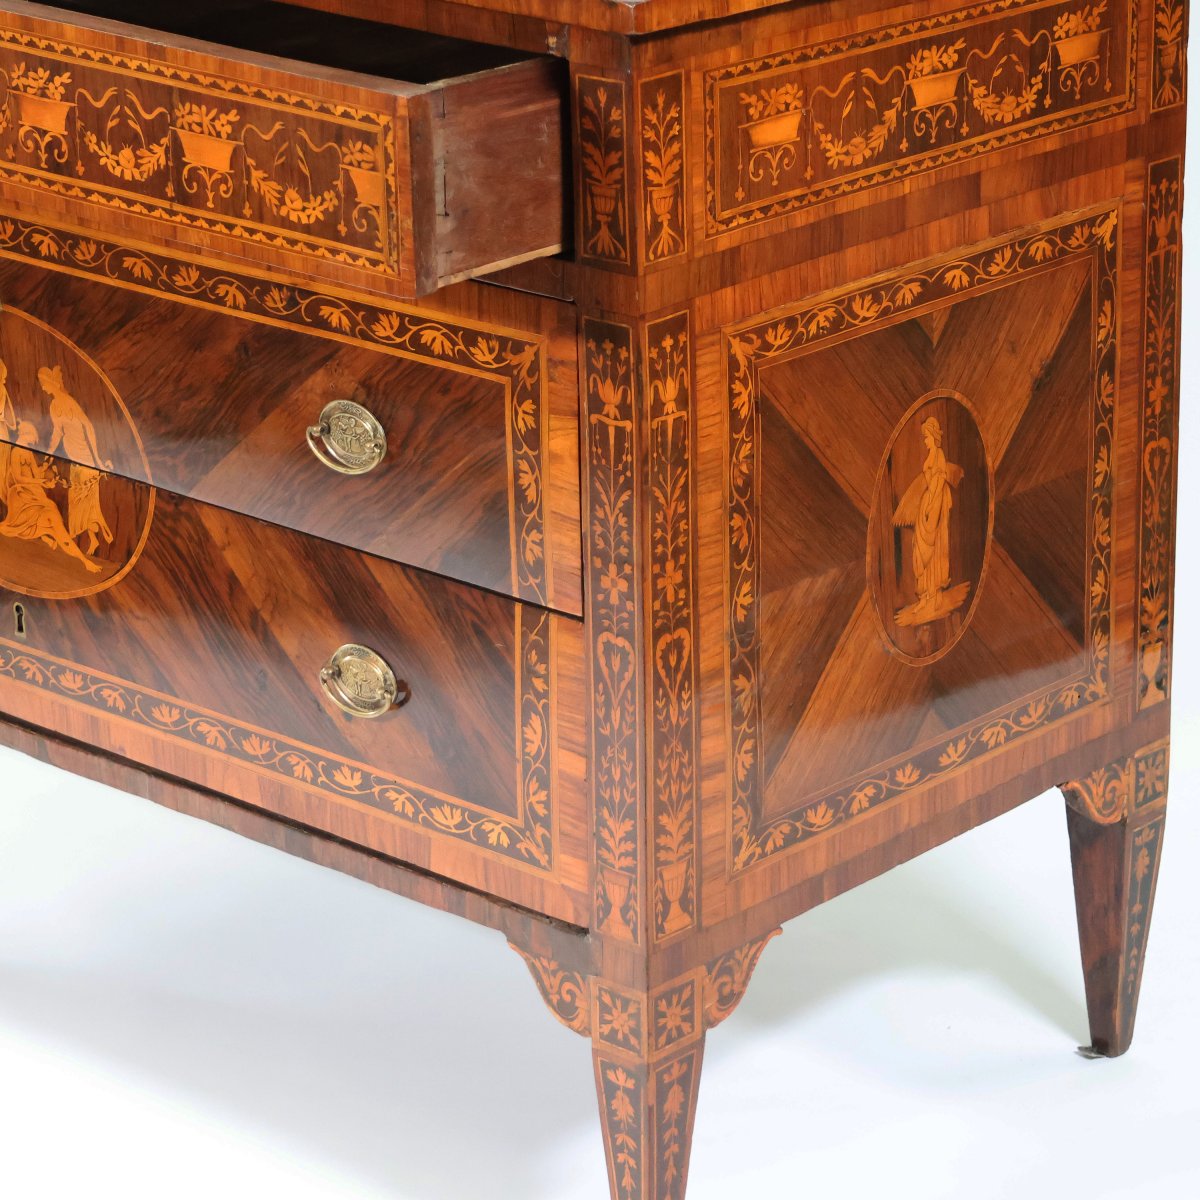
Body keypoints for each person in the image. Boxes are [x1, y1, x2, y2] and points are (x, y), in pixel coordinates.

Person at [0, 419, 102, 573]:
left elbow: (36, 474)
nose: (35, 439)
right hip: (23, 496)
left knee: (54, 521)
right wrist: (40, 480)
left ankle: (74, 555)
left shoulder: (27, 451)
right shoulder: (16, 452)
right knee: (53, 524)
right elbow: (19, 477)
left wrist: (47, 478)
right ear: (27, 434)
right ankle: (84, 561)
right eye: (33, 436)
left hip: (36, 494)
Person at [892, 415, 965, 625]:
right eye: (924, 437)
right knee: (921, 552)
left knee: (934, 553)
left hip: (934, 510)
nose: (925, 441)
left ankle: (934, 597)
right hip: (927, 508)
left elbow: (936, 486)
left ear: (933, 437)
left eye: (926, 437)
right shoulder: (932, 456)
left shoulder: (939, 457)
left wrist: (928, 513)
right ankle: (925, 598)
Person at [39, 363, 113, 555]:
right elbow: (57, 433)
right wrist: (48, 454)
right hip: (73, 460)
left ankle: (96, 536)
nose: (42, 387)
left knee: (87, 502)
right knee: (77, 501)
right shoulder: (54, 405)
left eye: (43, 383)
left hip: (86, 458)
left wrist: (97, 459)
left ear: (51, 383)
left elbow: (89, 426)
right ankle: (93, 539)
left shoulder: (69, 402)